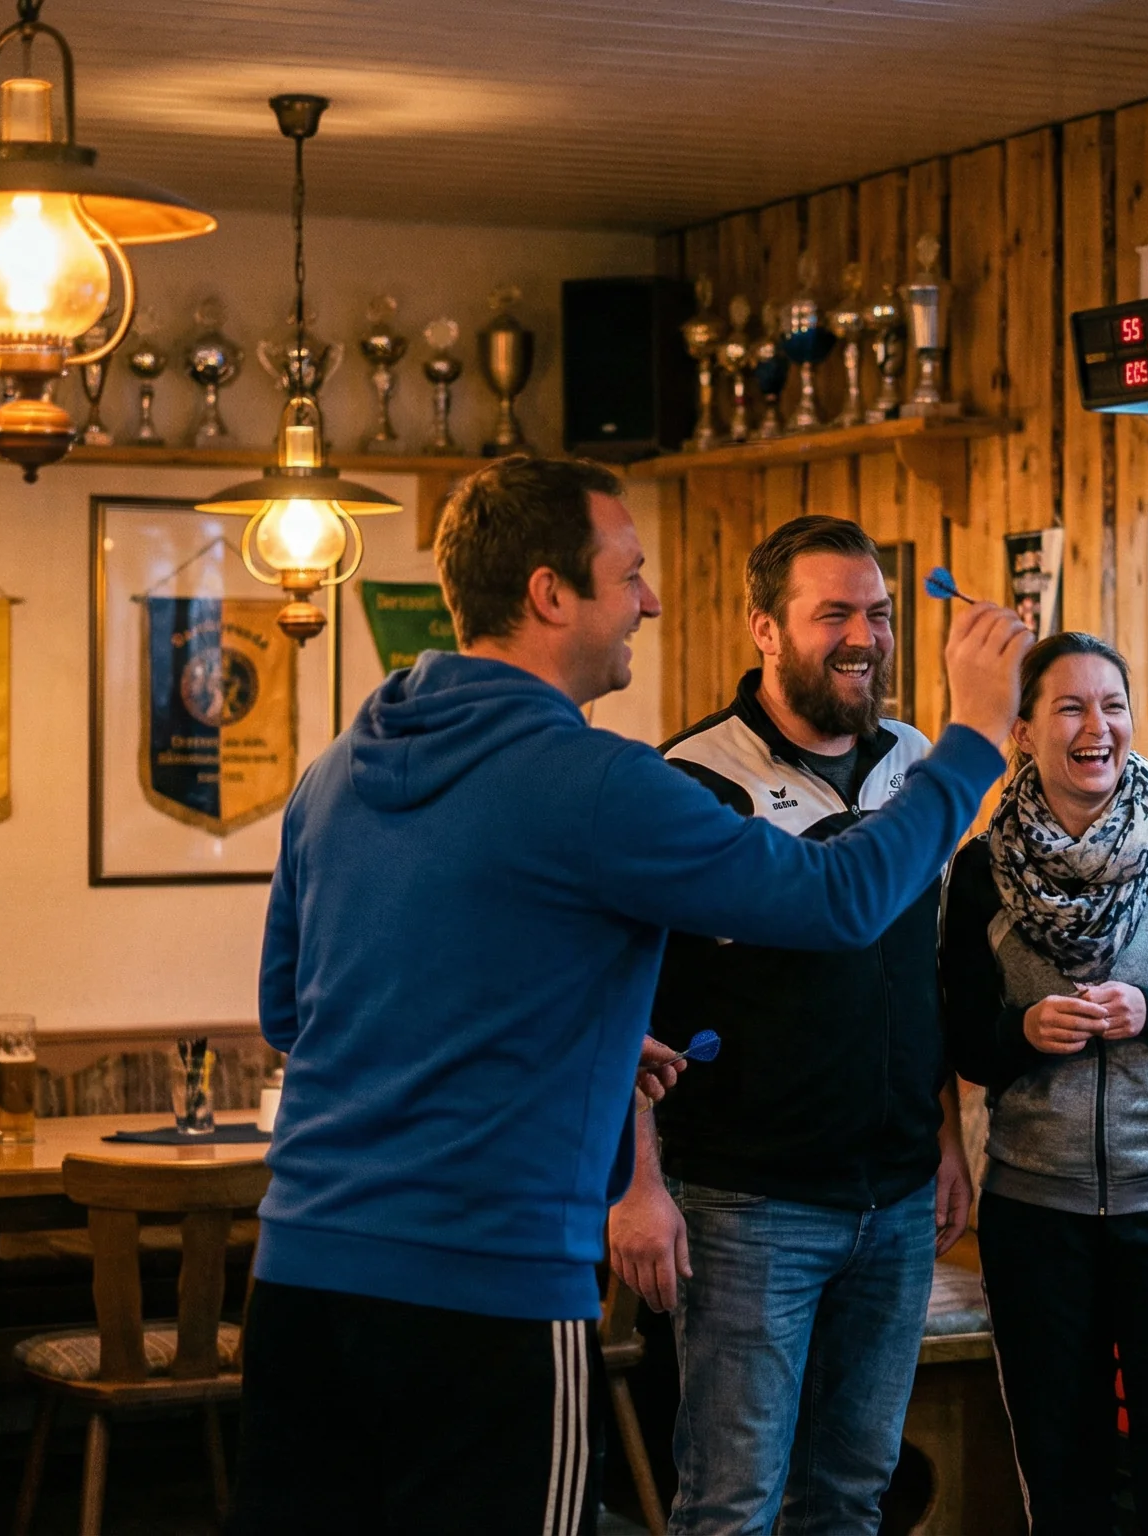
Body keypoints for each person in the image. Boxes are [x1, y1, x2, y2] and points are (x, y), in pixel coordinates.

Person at [233, 457, 1031, 1534]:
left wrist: (590, 1044)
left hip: (299, 1282)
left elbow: (292, 1013)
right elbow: (842, 899)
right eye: (629, 573)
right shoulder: (600, 782)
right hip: (489, 1289)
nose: (650, 601)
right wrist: (976, 734)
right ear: (549, 595)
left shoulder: (333, 771)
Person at [610, 515, 974, 1536]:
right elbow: (630, 1001)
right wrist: (638, 1183)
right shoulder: (689, 780)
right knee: (731, 1504)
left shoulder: (916, 765)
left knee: (851, 1499)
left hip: (897, 1198)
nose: (864, 636)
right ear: (763, 627)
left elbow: (923, 972)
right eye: (834, 614)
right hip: (744, 1203)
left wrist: (944, 1136)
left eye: (879, 613)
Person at [939, 632, 1148, 1536]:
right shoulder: (980, 872)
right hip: (1035, 1210)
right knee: (1063, 1478)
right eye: (1071, 707)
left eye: (1114, 705)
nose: (1099, 727)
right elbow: (967, 1044)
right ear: (1021, 731)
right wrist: (1024, 1031)